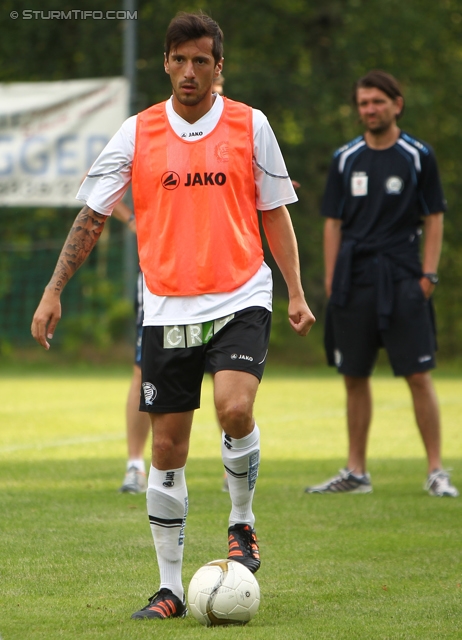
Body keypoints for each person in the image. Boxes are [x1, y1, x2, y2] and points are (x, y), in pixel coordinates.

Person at [31, 11, 315, 621]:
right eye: (179, 60)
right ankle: (170, 589)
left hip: (241, 293)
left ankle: (242, 522)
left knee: (235, 406)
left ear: (219, 68)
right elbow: (92, 218)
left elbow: (275, 212)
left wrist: (294, 289)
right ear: (165, 64)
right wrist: (54, 288)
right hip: (166, 306)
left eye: (201, 61)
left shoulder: (250, 125)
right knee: (167, 449)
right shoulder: (136, 134)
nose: (190, 72)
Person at [305, 69, 458, 498]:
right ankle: (356, 472)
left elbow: (434, 216)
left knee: (418, 375)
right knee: (354, 375)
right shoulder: (345, 158)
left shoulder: (417, 155)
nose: (369, 110)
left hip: (404, 278)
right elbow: (332, 223)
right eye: (363, 103)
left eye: (377, 102)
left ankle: (435, 471)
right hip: (355, 282)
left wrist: (427, 276)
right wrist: (334, 280)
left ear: (397, 104)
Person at [111, 200, 150, 493]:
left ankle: (232, 471)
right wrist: (132, 219)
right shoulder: (140, 150)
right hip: (157, 278)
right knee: (144, 370)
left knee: (222, 371)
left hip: (221, 277)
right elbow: (95, 179)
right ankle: (135, 465)